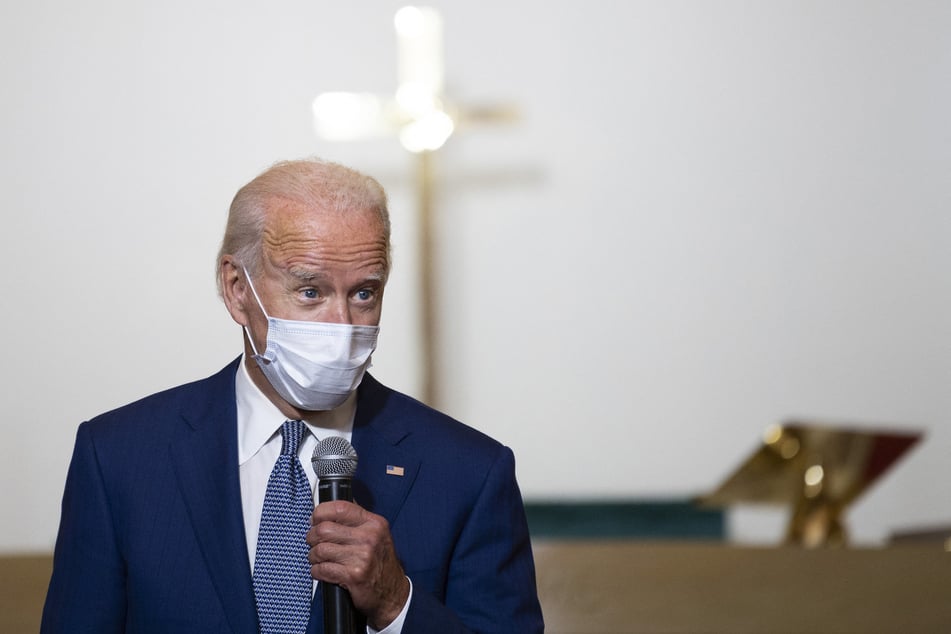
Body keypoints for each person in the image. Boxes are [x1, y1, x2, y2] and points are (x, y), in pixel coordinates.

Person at [41, 158, 544, 633]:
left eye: (364, 292)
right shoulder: (120, 457)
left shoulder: (470, 472)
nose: (343, 324)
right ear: (238, 288)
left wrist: (395, 603)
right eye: (310, 292)